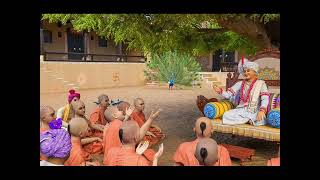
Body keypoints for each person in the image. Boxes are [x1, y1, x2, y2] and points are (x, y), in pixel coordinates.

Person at [213, 57, 270, 126]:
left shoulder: (261, 83)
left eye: (248, 71)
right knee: (226, 115)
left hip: (254, 111)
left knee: (260, 118)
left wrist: (262, 111)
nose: (246, 73)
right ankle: (248, 120)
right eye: (245, 71)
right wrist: (220, 91)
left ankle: (249, 119)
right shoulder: (240, 83)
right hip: (242, 110)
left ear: (255, 72)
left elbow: (265, 99)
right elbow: (228, 95)